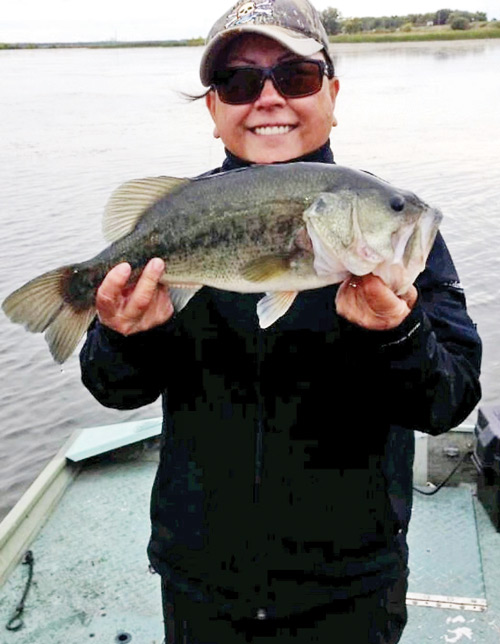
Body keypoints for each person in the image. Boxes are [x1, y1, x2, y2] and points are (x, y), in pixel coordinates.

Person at [79, 1, 482, 642]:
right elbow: (116, 388)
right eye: (239, 83)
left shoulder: (393, 227)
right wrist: (127, 332)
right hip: (200, 578)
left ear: (332, 93)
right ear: (214, 110)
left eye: (294, 76)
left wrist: (396, 336)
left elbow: (450, 399)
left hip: (353, 585)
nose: (268, 99)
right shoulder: (179, 217)